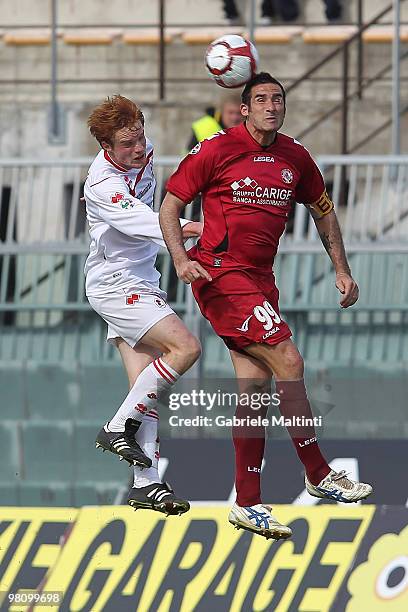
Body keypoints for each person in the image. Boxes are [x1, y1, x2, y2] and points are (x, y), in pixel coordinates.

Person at [159, 72, 372, 539]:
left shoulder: (295, 157)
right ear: (245, 107)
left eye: (277, 99)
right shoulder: (216, 149)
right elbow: (170, 205)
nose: (271, 106)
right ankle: (317, 472)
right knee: (289, 358)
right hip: (220, 272)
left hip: (259, 280)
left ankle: (248, 502)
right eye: (261, 99)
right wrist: (180, 260)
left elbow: (323, 210)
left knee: (253, 390)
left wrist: (342, 268)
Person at [84, 95, 202, 516]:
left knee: (146, 389)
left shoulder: (145, 156)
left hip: (140, 277)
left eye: (140, 138)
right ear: (106, 148)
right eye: (127, 145)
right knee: (186, 349)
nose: (138, 149)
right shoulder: (101, 184)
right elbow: (148, 222)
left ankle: (146, 484)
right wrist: (195, 229)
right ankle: (116, 427)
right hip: (117, 284)